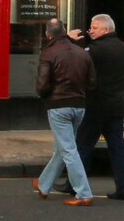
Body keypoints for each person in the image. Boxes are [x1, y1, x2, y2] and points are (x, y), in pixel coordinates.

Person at [34, 15, 95, 205]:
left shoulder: (49, 53)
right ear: (64, 31)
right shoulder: (82, 53)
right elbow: (92, 82)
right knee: (64, 147)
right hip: (79, 105)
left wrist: (44, 96)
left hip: (58, 105)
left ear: (47, 34)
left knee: (68, 149)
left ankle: (84, 193)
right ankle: (44, 185)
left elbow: (42, 84)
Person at [76, 13, 124, 200]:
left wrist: (71, 41)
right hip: (116, 106)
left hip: (96, 105)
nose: (90, 31)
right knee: (118, 147)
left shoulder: (96, 49)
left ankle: (75, 184)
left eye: (94, 28)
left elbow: (78, 60)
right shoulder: (123, 48)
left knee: (83, 146)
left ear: (106, 29)